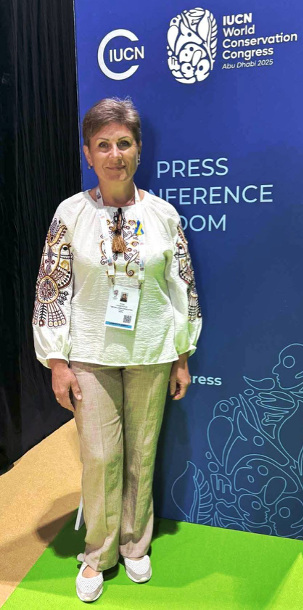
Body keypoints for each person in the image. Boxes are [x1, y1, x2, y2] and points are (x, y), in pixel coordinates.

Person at [32, 98, 202, 603]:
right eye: (103, 145)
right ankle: (98, 553)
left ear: (139, 150)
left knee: (142, 453)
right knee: (101, 457)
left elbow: (182, 289)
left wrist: (182, 354)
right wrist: (57, 361)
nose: (114, 154)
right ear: (88, 154)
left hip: (152, 351)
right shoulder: (69, 214)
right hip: (89, 353)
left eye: (123, 143)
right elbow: (51, 289)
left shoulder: (163, 215)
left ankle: (134, 544)